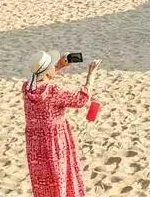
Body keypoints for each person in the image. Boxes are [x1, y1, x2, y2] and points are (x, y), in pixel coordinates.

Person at [23, 50, 101, 197]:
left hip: (35, 145)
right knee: (61, 179)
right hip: (55, 142)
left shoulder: (27, 88)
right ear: (47, 71)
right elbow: (82, 99)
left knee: (43, 183)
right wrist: (91, 74)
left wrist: (59, 66)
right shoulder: (53, 91)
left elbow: (41, 77)